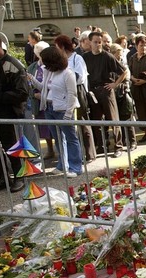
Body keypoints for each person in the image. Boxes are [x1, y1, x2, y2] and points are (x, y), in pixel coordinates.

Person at [30, 46, 81, 177]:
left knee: (71, 138)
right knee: (58, 139)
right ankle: (63, 165)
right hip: (49, 107)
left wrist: (68, 114)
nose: (42, 63)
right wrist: (32, 79)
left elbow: (72, 94)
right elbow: (44, 88)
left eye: (44, 60)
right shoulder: (49, 71)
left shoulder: (68, 73)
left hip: (62, 109)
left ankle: (75, 167)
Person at [82, 31, 127, 157]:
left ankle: (118, 146)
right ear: (89, 42)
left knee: (113, 120)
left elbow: (123, 71)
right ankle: (101, 145)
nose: (98, 45)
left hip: (106, 90)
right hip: (93, 92)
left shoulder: (107, 56)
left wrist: (115, 84)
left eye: (99, 42)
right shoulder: (85, 57)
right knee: (97, 120)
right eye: (95, 42)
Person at [54, 34, 96, 163]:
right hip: (66, 93)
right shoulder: (61, 60)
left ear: (62, 46)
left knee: (83, 122)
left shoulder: (77, 59)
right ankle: (78, 154)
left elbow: (81, 77)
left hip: (78, 92)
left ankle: (89, 153)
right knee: (73, 127)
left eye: (57, 47)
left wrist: (68, 76)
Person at [0, 33, 29, 192]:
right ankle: (3, 176)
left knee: (11, 145)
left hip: (7, 111)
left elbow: (22, 92)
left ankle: (19, 176)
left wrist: (0, 97)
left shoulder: (12, 64)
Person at [27, 41, 55, 159]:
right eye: (39, 52)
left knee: (55, 128)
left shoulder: (53, 66)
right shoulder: (32, 67)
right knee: (43, 128)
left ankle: (61, 152)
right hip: (38, 103)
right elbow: (28, 85)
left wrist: (44, 94)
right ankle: (50, 150)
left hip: (52, 101)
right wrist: (34, 95)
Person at [110, 43, 137, 150]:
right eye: (117, 54)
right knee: (118, 120)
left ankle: (132, 141)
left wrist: (116, 83)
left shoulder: (123, 66)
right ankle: (124, 141)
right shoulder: (110, 65)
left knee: (127, 118)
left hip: (124, 93)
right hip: (114, 95)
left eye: (120, 55)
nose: (120, 57)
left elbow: (126, 76)